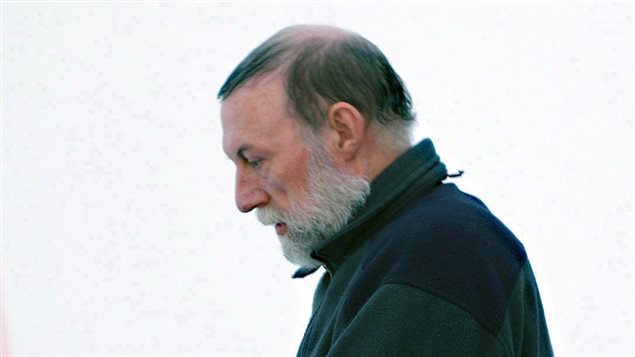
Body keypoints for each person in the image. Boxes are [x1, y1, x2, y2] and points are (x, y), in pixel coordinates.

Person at [218, 24, 553, 356]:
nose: (244, 199)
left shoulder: (437, 253)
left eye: (255, 160)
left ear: (343, 131)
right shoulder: (388, 255)